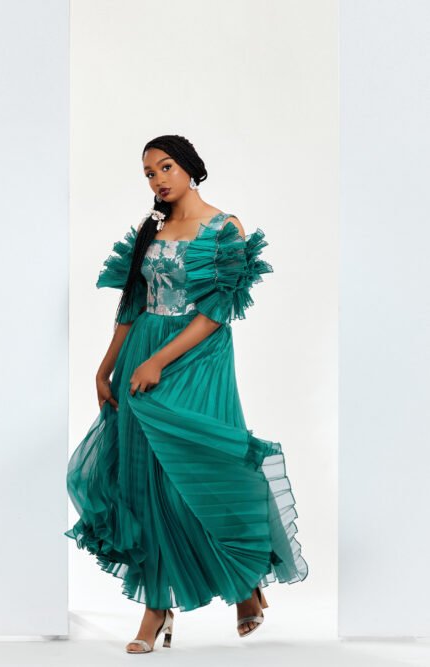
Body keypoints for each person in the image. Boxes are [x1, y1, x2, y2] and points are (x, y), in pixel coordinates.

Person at [64, 134, 309, 653]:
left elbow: (216, 312)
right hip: (143, 351)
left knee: (205, 472)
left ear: (191, 168)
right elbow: (131, 305)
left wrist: (159, 360)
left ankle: (244, 581)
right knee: (143, 481)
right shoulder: (149, 230)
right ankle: (156, 609)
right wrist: (105, 368)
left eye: (166, 167)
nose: (158, 179)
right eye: (149, 173)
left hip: (197, 357)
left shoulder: (224, 228)